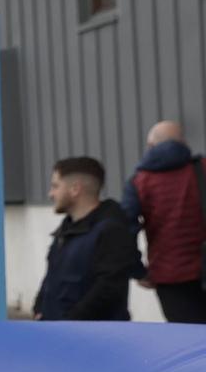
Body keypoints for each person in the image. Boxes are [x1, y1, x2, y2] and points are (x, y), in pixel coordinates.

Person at [121, 120, 206, 324]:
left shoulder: (139, 182)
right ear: (183, 143)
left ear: (150, 146)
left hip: (170, 276)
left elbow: (125, 230)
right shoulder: (202, 168)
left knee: (189, 342)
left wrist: (138, 271)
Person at [36, 156, 135, 321]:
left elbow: (107, 289)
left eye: (55, 186)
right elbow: (51, 277)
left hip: (93, 338)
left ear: (75, 189)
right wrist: (39, 308)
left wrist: (71, 322)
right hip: (60, 334)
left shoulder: (111, 231)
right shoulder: (65, 230)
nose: (50, 194)